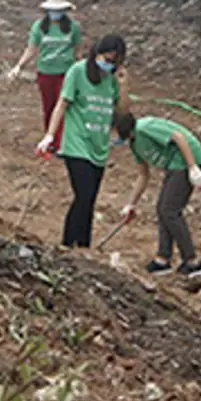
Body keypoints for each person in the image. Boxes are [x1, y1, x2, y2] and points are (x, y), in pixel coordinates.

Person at [37, 36, 129, 250]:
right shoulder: (77, 72)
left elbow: (123, 112)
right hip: (76, 144)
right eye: (107, 59)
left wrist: (124, 85)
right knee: (84, 194)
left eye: (114, 62)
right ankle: (67, 244)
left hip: (99, 147)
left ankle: (84, 245)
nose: (109, 64)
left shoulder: (112, 79)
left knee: (89, 200)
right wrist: (50, 135)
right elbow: (62, 103)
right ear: (97, 53)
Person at [117, 112, 201, 277]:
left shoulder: (145, 128)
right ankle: (163, 259)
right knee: (162, 209)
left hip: (184, 161)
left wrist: (192, 167)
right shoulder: (134, 143)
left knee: (170, 211)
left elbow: (179, 137)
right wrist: (131, 204)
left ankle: (193, 262)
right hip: (172, 166)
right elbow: (143, 175)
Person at [8, 0, 83, 142]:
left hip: (66, 73)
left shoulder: (73, 27)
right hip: (46, 73)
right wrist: (19, 66)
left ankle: (63, 140)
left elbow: (78, 51)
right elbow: (32, 49)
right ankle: (50, 138)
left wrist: (80, 71)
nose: (55, 13)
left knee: (63, 106)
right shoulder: (39, 27)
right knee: (49, 107)